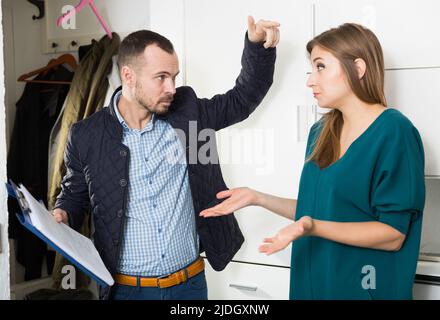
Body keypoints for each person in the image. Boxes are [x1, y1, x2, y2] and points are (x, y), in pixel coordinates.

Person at [52, 16, 280, 300]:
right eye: (161, 77)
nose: (172, 87)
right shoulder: (86, 135)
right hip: (126, 291)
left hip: (190, 285)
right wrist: (62, 214)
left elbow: (243, 98)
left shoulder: (189, 112)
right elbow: (74, 195)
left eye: (174, 77)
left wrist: (257, 47)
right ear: (128, 76)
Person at [200, 23, 425, 300]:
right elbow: (315, 211)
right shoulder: (321, 132)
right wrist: (257, 198)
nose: (310, 80)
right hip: (313, 284)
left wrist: (312, 226)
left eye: (320, 66)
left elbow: (392, 234)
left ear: (358, 68)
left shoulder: (394, 133)